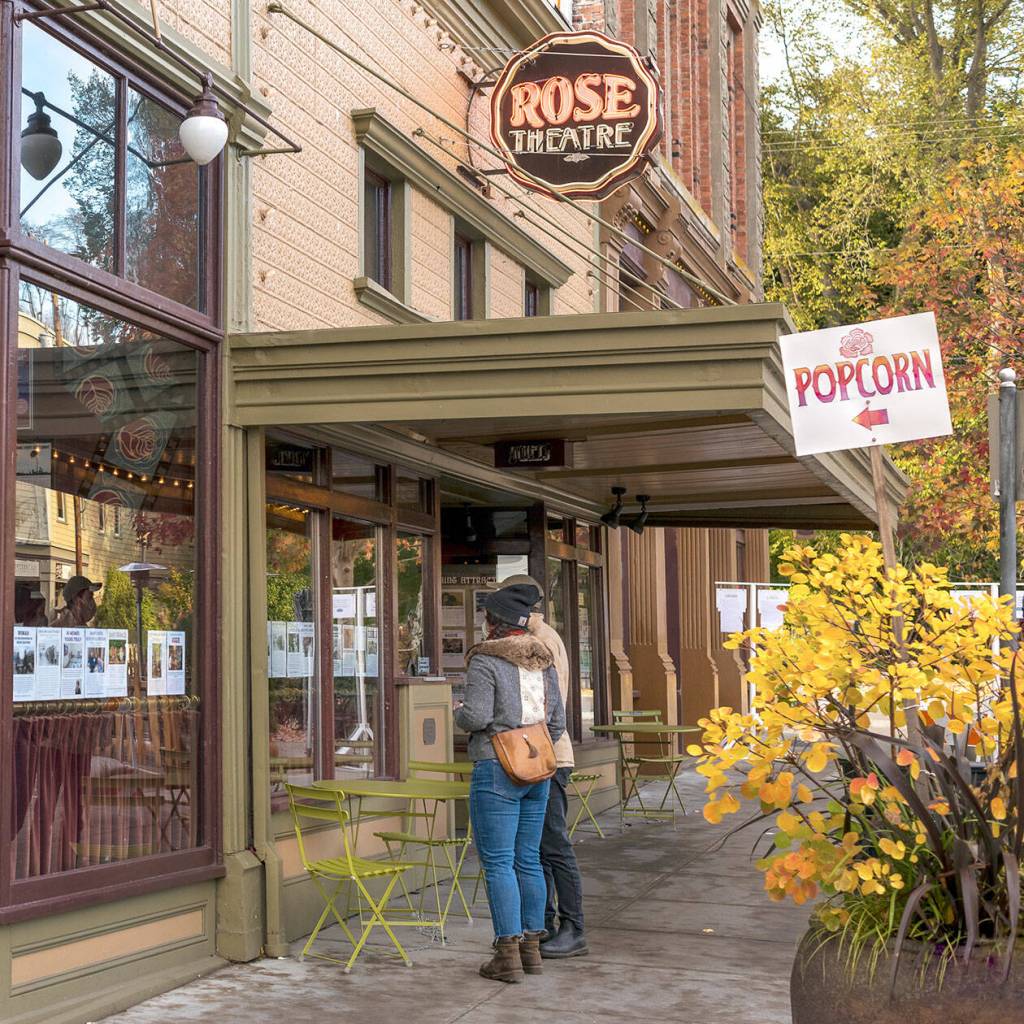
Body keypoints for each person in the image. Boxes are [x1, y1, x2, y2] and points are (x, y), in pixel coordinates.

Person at [454, 583, 565, 984]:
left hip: (496, 766)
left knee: (498, 862)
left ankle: (506, 955)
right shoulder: (543, 661)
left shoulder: (486, 661)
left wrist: (458, 713)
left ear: (491, 621)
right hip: (538, 767)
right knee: (528, 859)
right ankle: (532, 950)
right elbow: (557, 724)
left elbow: (478, 717)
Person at [499, 574, 588, 959]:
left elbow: (549, 709)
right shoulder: (541, 635)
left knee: (552, 847)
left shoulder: (538, 642)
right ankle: (545, 924)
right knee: (536, 849)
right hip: (542, 752)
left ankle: (573, 927)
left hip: (543, 755)